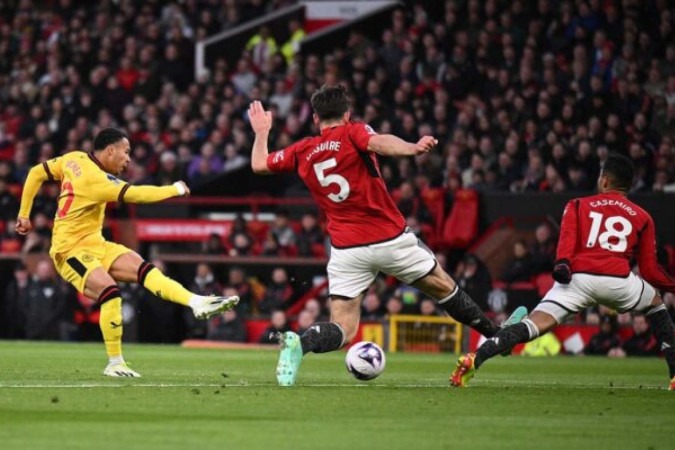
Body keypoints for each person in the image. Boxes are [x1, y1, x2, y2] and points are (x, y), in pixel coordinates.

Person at [247, 85, 526, 386]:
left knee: (343, 330)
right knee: (445, 288)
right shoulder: (353, 132)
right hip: (388, 239)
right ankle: (497, 337)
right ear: (348, 113)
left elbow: (259, 165)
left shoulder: (303, 150)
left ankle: (299, 344)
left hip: (346, 250)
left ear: (315, 118)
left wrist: (262, 131)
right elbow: (379, 143)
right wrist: (411, 147)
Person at [16, 128, 238, 377]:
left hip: (96, 244)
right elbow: (137, 194)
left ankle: (196, 302)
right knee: (110, 291)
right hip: (70, 251)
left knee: (143, 267)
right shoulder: (97, 180)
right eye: (126, 152)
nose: (129, 159)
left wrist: (24, 214)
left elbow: (36, 172)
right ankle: (115, 362)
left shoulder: (74, 158)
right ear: (110, 150)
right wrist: (173, 189)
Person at [451, 154, 675, 390]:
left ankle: (475, 358)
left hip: (578, 280)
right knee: (656, 304)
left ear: (605, 181)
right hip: (618, 280)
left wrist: (562, 267)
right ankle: (674, 375)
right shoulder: (643, 216)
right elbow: (650, 271)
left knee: (532, 324)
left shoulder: (578, 205)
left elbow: (565, 249)